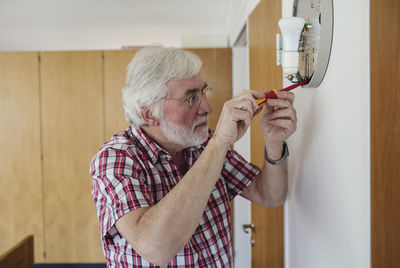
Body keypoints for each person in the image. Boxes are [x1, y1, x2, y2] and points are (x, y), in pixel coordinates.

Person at [90, 46, 297, 267]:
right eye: (191, 99)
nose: (207, 107)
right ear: (149, 113)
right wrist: (219, 143)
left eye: (203, 93)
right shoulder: (116, 159)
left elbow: (269, 195)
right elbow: (156, 249)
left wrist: (274, 143)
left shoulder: (204, 143)